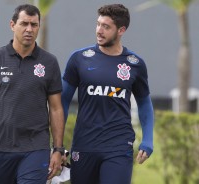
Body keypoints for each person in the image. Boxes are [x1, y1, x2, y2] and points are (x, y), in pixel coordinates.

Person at [0, 4, 65, 184]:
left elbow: (56, 108)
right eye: (24, 24)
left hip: (35, 148)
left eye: (34, 25)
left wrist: (58, 149)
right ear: (12, 25)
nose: (29, 29)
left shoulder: (49, 62)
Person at [61, 4, 154, 184]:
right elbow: (62, 102)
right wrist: (57, 144)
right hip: (84, 145)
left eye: (106, 26)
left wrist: (148, 140)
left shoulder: (135, 64)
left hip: (119, 146)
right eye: (98, 24)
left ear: (121, 30)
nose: (99, 30)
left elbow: (144, 103)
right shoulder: (79, 59)